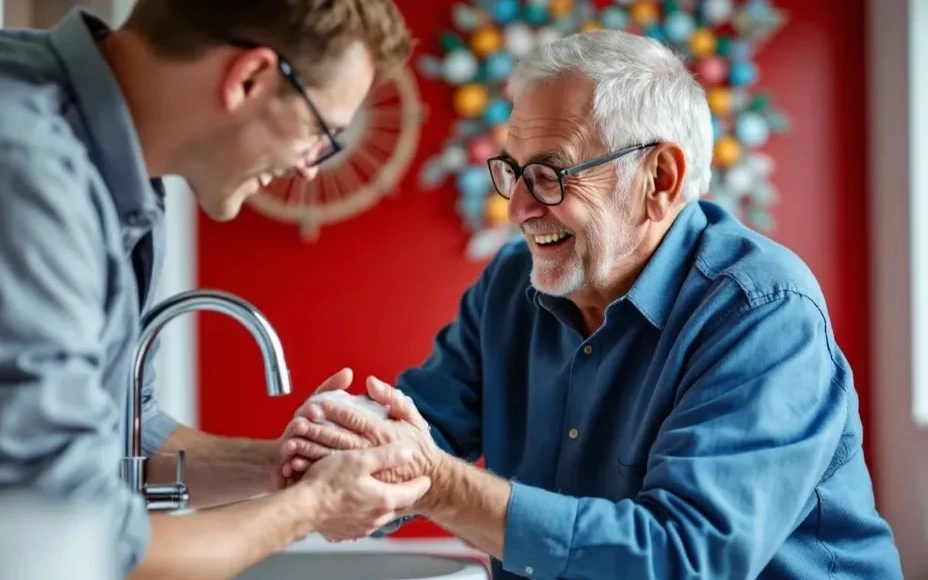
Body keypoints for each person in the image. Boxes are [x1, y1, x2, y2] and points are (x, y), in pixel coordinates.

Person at [276, 30, 905, 579]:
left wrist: (439, 483)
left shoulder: (762, 310)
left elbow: (685, 557)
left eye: (550, 174)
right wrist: (350, 444)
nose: (518, 208)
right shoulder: (509, 286)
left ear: (659, 179)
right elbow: (428, 425)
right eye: (512, 172)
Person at [0, 1, 432, 578]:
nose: (309, 167)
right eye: (319, 133)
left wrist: (289, 465)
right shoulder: (16, 180)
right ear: (250, 79)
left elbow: (127, 433)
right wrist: (315, 504)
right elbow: (62, 538)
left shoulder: (114, 158)